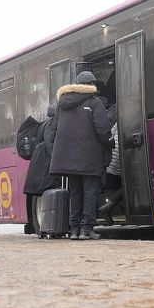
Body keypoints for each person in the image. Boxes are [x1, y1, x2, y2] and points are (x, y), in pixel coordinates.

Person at [48, 71, 112, 240]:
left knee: (75, 192)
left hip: (68, 158)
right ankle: (87, 229)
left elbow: (52, 131)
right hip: (90, 157)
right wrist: (110, 143)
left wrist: (58, 151)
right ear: (91, 85)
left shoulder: (62, 105)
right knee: (90, 192)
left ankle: (74, 230)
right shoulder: (94, 103)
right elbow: (103, 130)